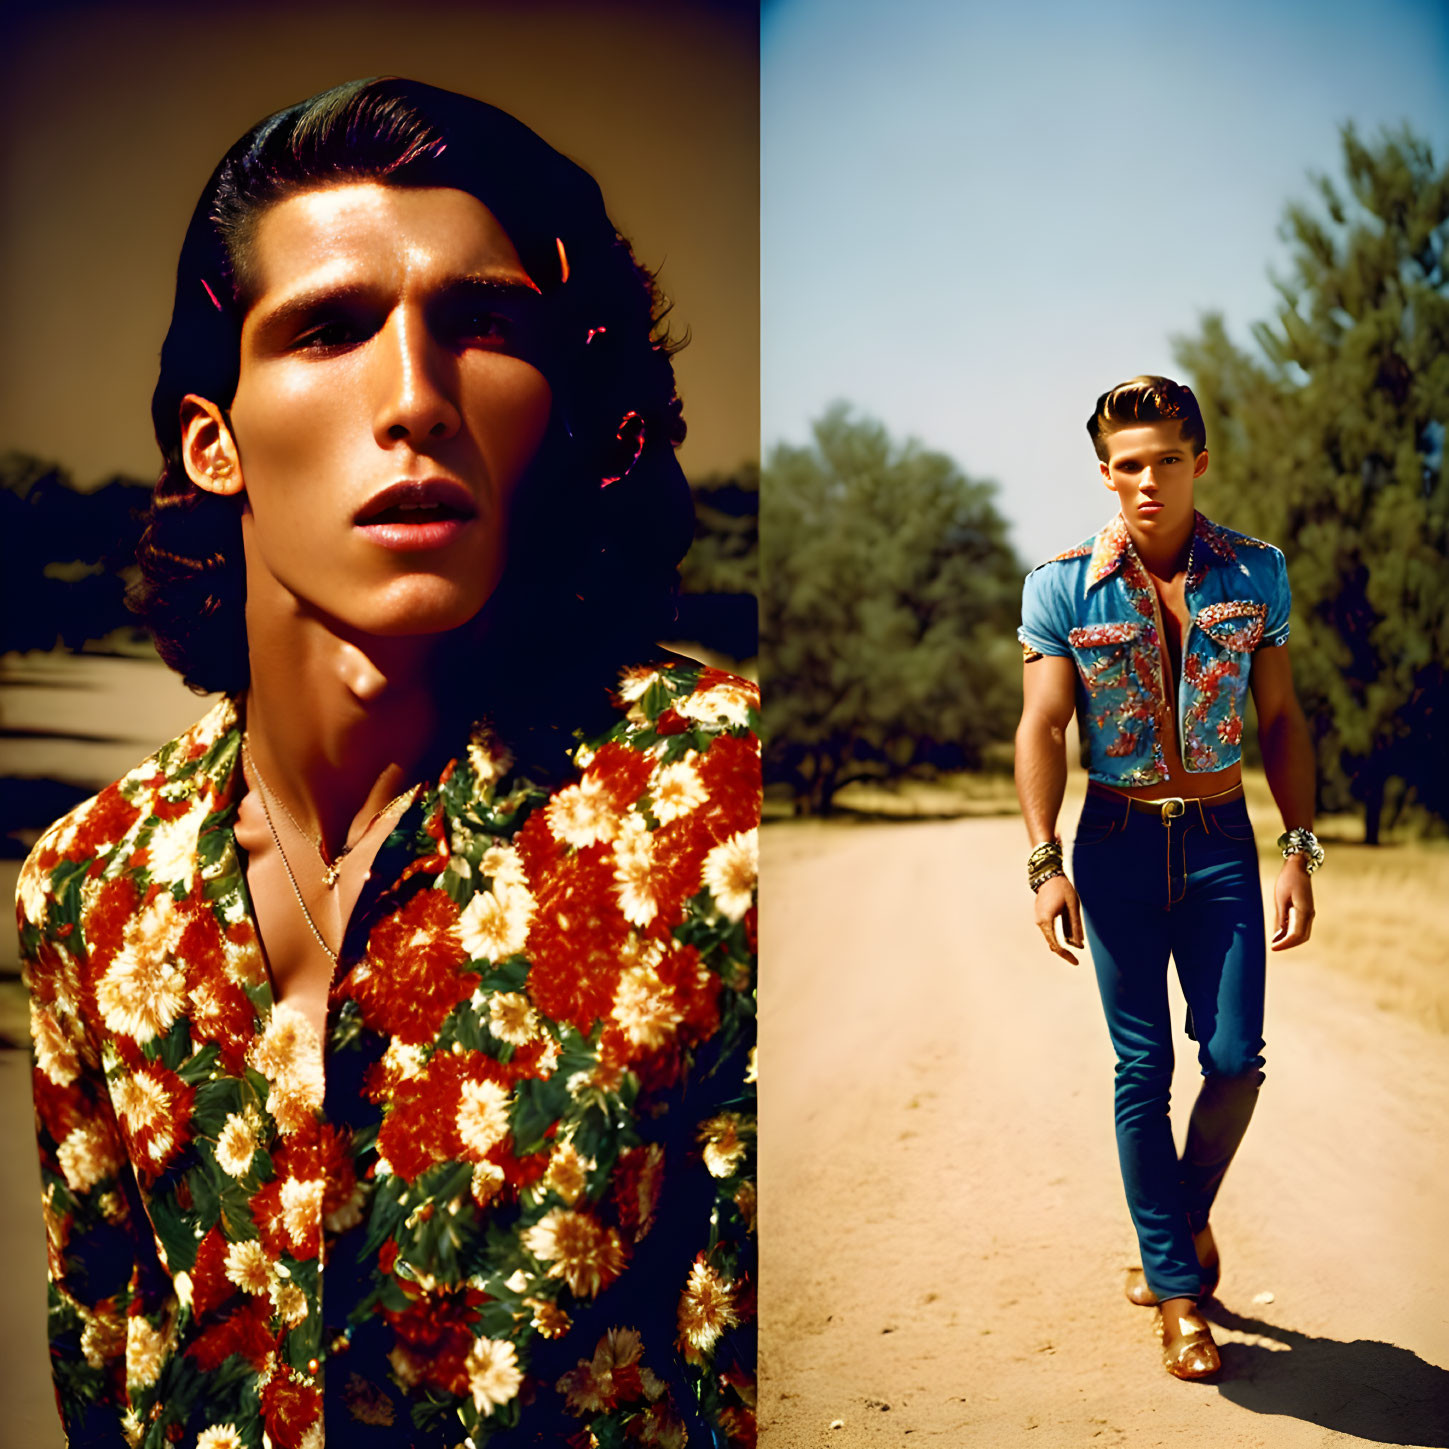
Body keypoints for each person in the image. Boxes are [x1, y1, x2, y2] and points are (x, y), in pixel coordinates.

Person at [15, 77, 758, 1448]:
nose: (415, 396)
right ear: (214, 441)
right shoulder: (86, 888)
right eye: (331, 328)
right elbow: (105, 1354)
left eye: (484, 328)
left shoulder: (720, 822)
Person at [1013, 375, 1319, 1380]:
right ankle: (1180, 1301)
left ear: (1200, 462)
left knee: (1236, 1060)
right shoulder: (1061, 585)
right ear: (1106, 474)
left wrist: (1300, 850)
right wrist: (1044, 858)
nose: (1148, 481)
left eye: (1167, 460)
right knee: (1143, 1069)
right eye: (1129, 465)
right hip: (1115, 843)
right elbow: (1044, 725)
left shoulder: (1258, 574)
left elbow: (1278, 721)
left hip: (1226, 837)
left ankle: (1177, 1224)